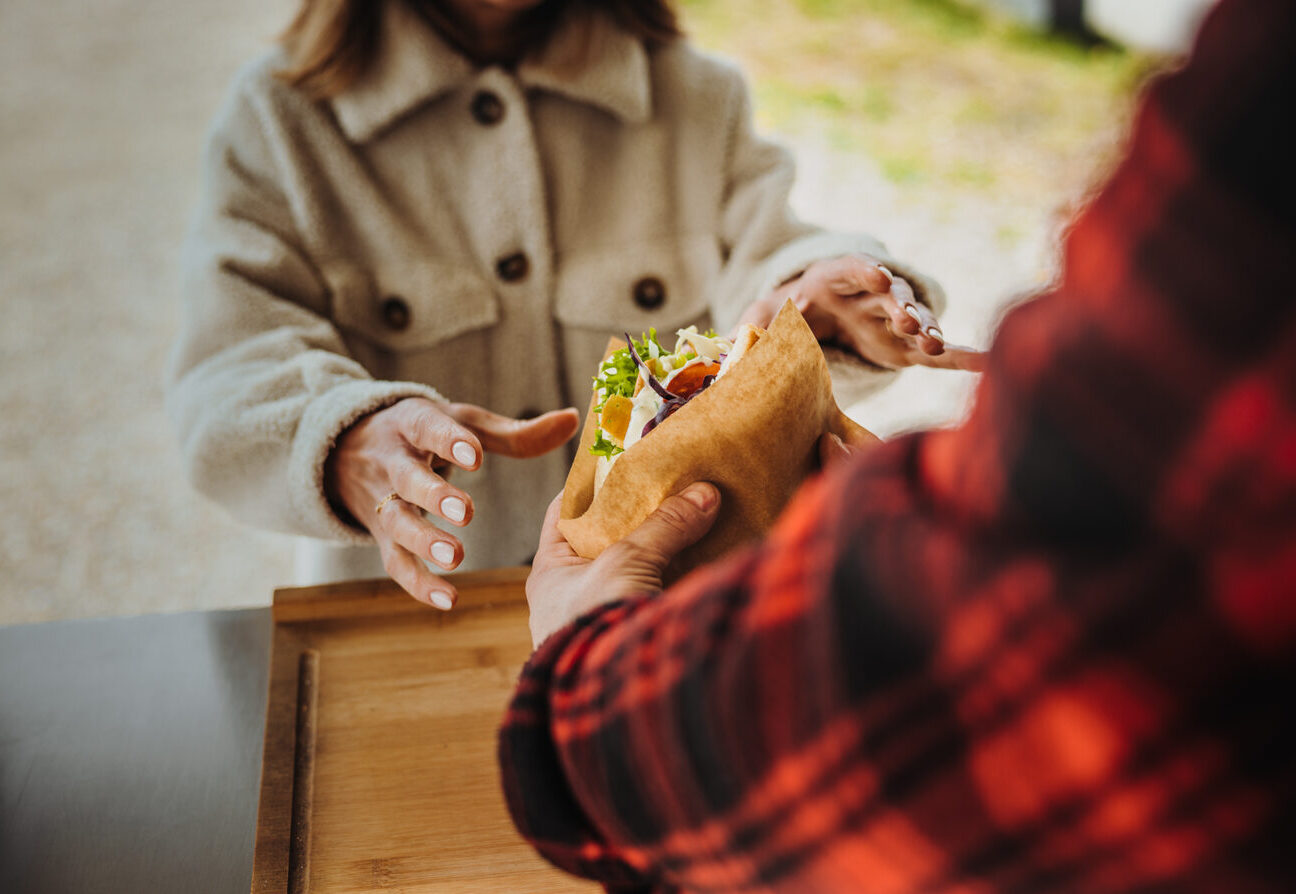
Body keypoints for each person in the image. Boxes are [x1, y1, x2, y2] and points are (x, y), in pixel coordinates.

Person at [500, 0, 1296, 889]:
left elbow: (1005, 642)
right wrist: (337, 433)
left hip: (646, 659)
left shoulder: (689, 87)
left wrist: (584, 683)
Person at [166, 0, 981, 610]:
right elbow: (228, 367)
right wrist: (340, 436)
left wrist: (820, 312)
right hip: (413, 624)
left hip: (678, 619)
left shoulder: (698, 99)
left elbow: (770, 256)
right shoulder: (278, 121)